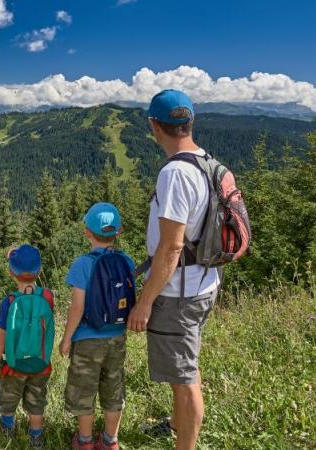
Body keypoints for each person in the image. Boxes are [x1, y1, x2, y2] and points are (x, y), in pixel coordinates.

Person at [127, 89, 220, 450]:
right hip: (203, 283)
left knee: (185, 379)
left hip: (177, 292)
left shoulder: (176, 174)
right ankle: (175, 424)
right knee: (185, 364)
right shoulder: (205, 162)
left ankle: (186, 444)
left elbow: (172, 246)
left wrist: (145, 301)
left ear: (154, 126)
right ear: (190, 122)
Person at [60, 203, 135, 450]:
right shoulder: (127, 261)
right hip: (117, 336)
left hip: (88, 339)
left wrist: (67, 338)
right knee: (114, 387)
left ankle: (84, 441)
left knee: (85, 388)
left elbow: (77, 308)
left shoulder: (82, 264)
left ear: (86, 233)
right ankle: (110, 440)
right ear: (119, 231)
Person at [0, 244, 53, 449]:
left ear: (10, 272)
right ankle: (36, 436)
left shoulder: (9, 301)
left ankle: (7, 426)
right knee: (36, 400)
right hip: (41, 362)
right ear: (39, 270)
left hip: (14, 364)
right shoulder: (48, 297)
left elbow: (3, 334)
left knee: (8, 395)